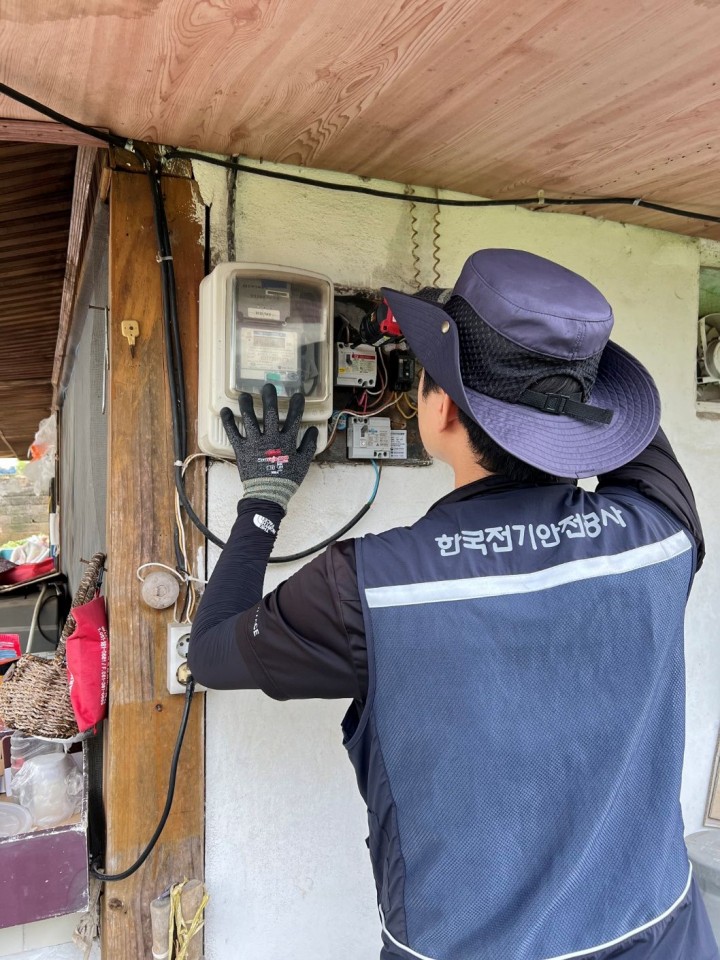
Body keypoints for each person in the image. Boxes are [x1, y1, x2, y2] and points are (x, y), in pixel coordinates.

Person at [188, 248, 718, 960]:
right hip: (666, 936)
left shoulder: (367, 587)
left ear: (438, 408)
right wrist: (536, 354)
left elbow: (211, 651)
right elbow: (628, 419)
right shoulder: (661, 532)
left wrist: (262, 501)